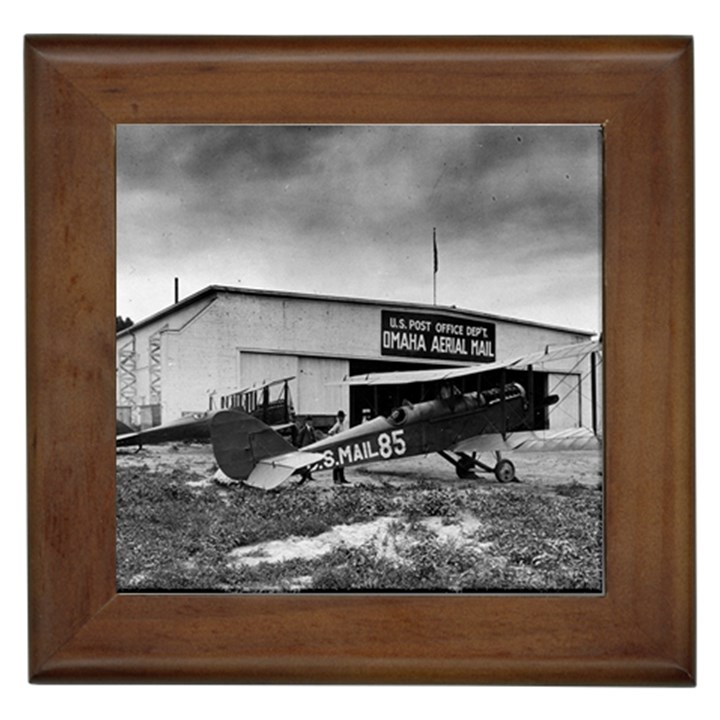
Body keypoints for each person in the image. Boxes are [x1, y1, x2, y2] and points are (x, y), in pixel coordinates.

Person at [328, 410, 351, 485]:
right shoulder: (337, 425)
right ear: (339, 418)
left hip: (342, 446)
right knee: (337, 464)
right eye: (342, 417)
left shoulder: (342, 425)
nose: (343, 418)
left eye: (343, 417)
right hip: (337, 446)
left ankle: (342, 478)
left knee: (342, 463)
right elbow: (330, 432)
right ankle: (336, 479)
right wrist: (335, 438)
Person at [296, 417, 317, 485]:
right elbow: (299, 439)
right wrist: (300, 447)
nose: (310, 423)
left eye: (311, 421)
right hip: (305, 448)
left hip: (311, 448)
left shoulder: (311, 429)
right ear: (306, 422)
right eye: (309, 421)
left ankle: (309, 475)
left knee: (311, 462)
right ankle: (304, 476)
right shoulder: (303, 430)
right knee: (304, 463)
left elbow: (313, 438)